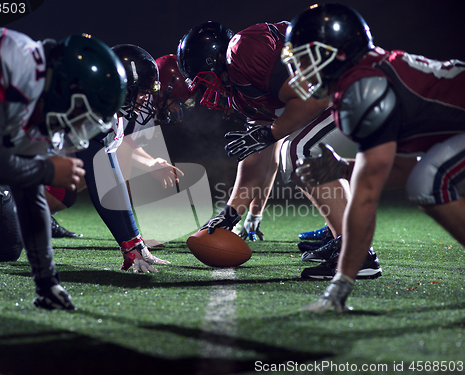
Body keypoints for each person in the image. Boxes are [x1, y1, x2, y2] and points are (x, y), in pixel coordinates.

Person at [282, 3, 465, 312]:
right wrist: (343, 167)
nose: (300, 68)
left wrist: (340, 285)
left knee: (431, 179)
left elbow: (367, 194)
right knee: (426, 176)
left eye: (306, 56)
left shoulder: (364, 87)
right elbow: (404, 167)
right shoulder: (366, 77)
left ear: (338, 52)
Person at [176, 22, 380, 279]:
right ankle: (345, 236)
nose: (208, 91)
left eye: (205, 79)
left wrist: (271, 133)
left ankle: (357, 253)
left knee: (301, 150)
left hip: (364, 87)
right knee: (296, 149)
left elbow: (313, 98)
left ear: (217, 58)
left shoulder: (243, 51)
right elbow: (256, 164)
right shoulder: (242, 93)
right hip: (345, 94)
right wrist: (230, 215)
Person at [0, 26, 127, 309]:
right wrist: (47, 170)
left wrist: (47, 281)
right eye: (80, 115)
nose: (78, 129)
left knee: (8, 248)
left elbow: (30, 192)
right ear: (67, 88)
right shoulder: (9, 58)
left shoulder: (41, 96)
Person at [75, 46, 189, 273]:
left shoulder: (110, 116)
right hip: (10, 174)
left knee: (10, 247)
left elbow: (111, 173)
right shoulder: (88, 111)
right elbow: (105, 178)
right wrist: (130, 242)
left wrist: (132, 241)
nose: (145, 99)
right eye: (141, 91)